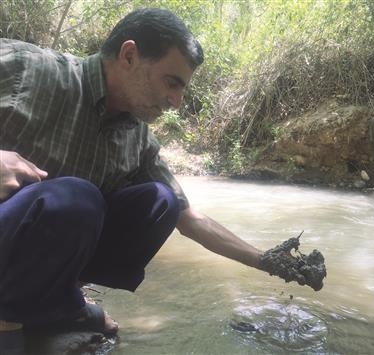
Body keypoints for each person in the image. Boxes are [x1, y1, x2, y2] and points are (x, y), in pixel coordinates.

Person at [0, 8, 262, 353]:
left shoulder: (137, 140)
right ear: (129, 55)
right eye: (172, 82)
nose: (177, 101)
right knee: (76, 197)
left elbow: (191, 219)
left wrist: (268, 260)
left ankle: (57, 304)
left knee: (159, 202)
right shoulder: (27, 68)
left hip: (31, 259)